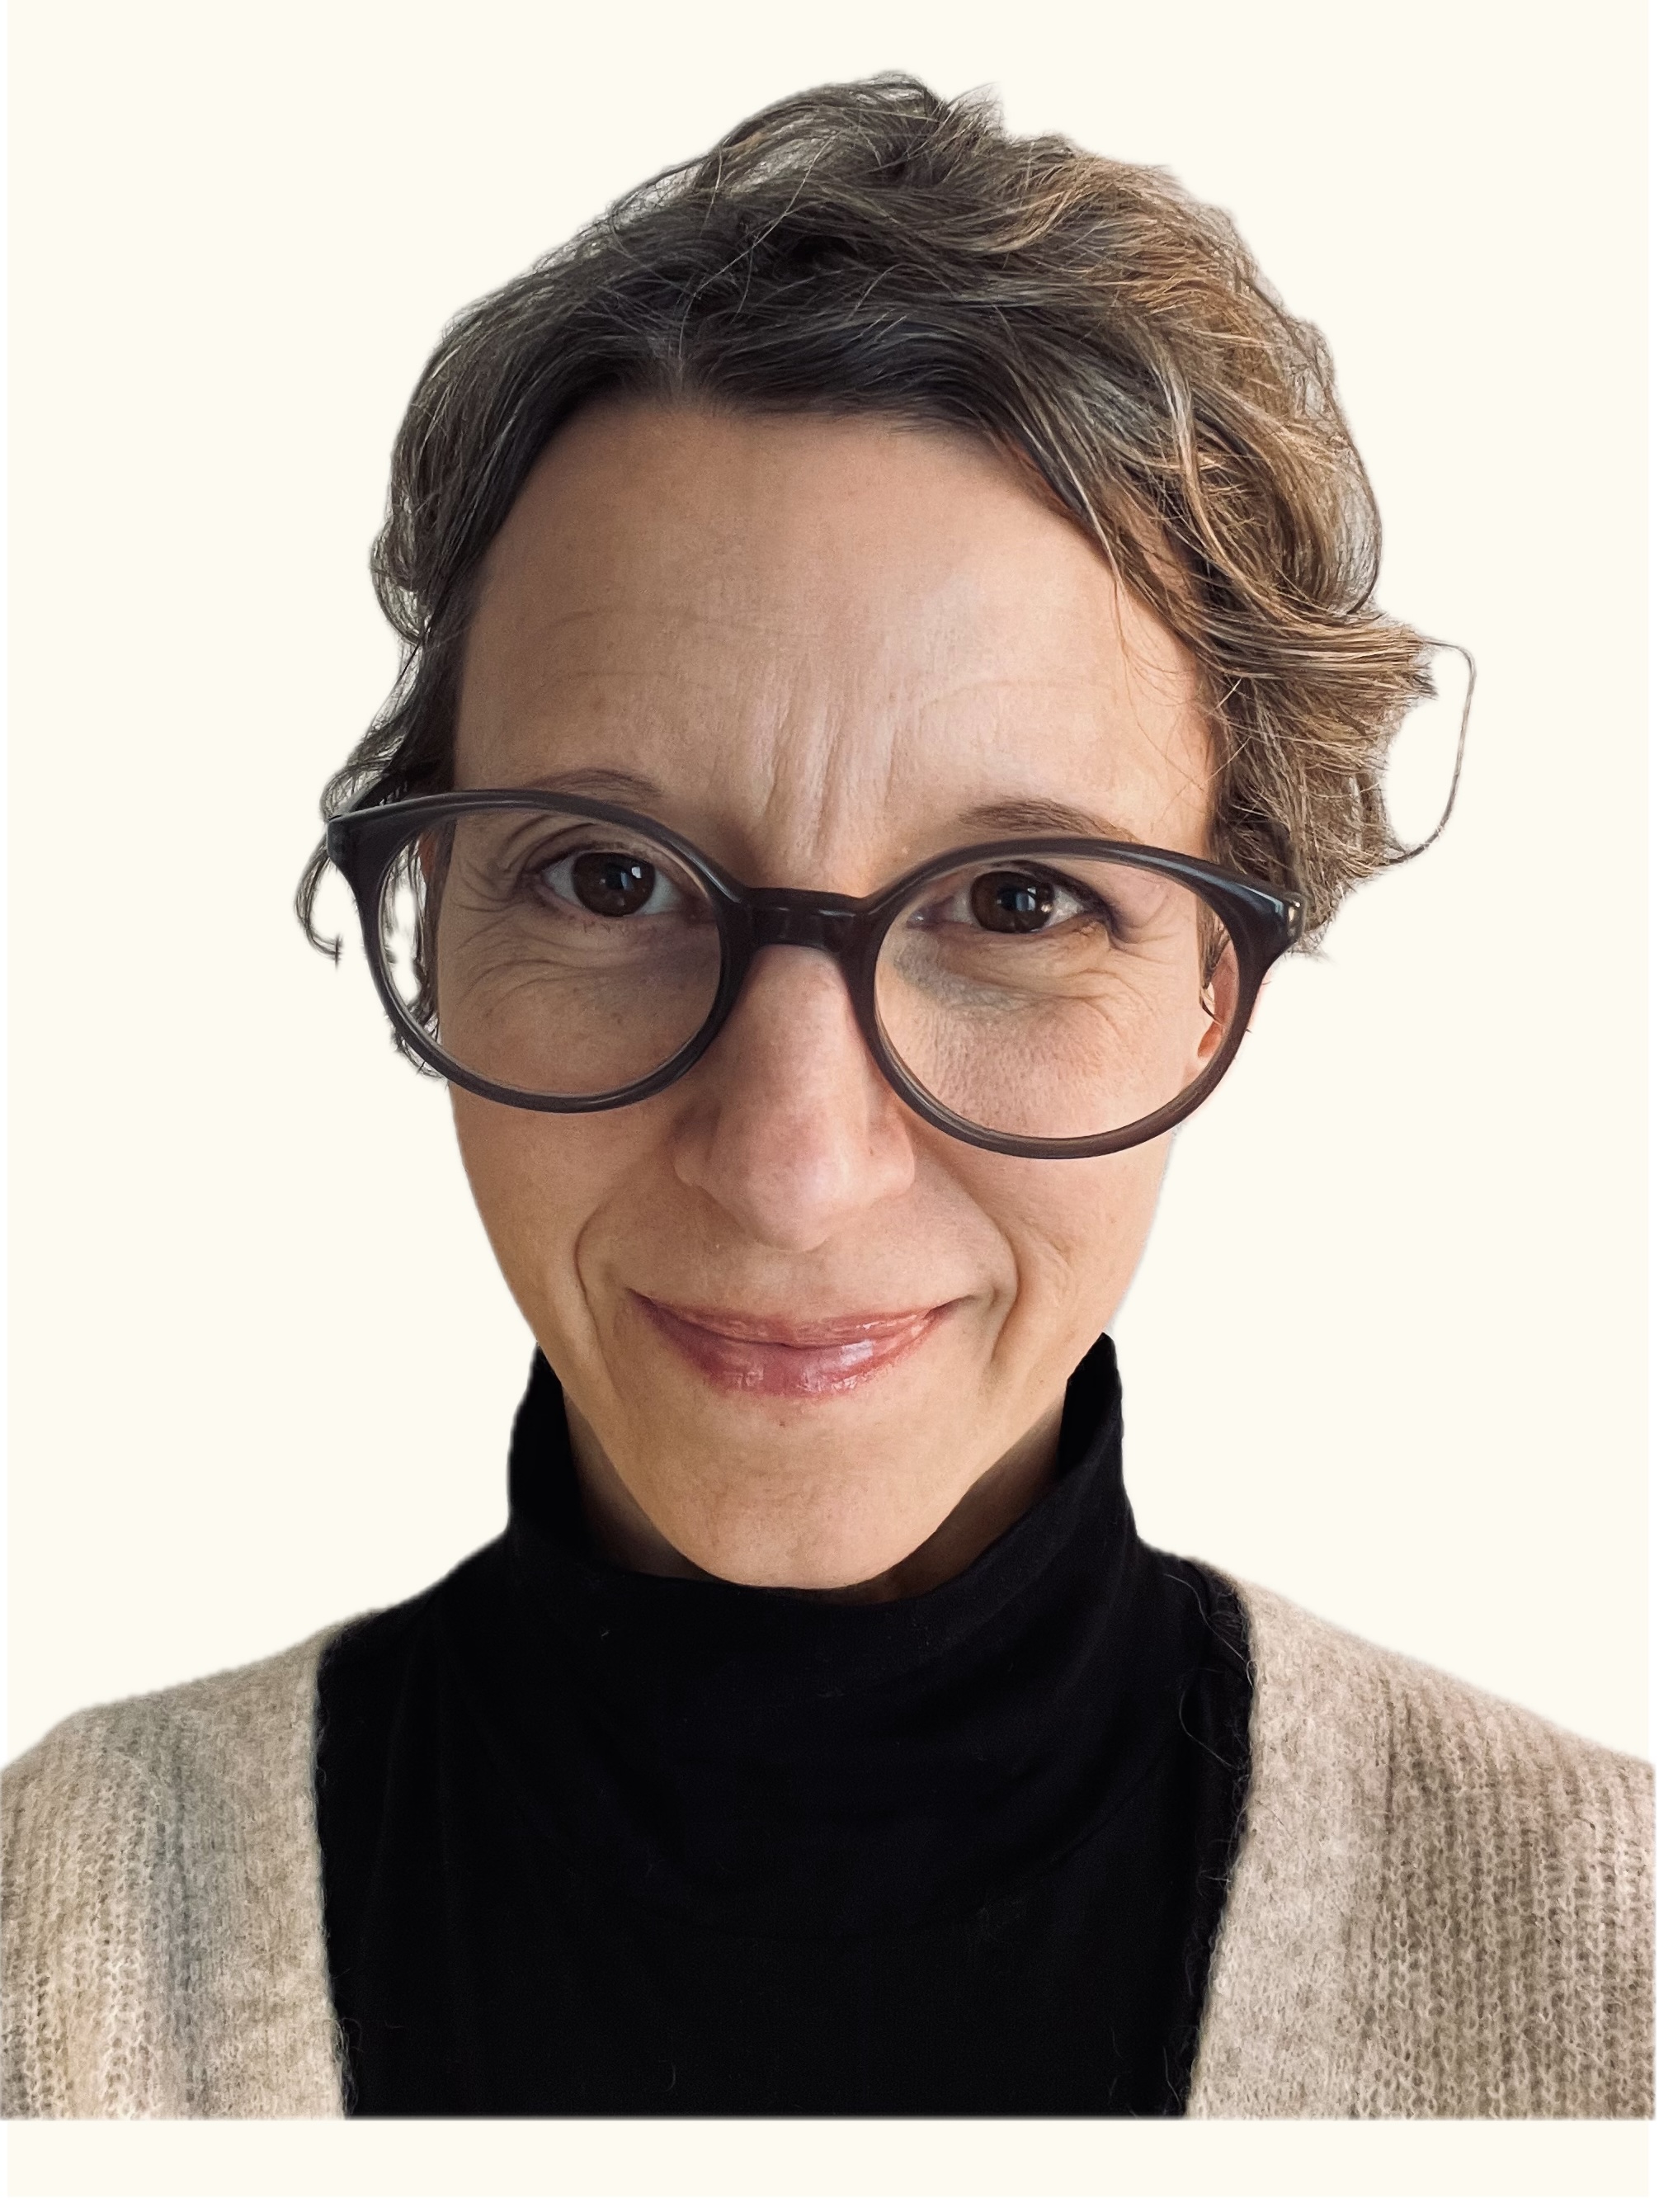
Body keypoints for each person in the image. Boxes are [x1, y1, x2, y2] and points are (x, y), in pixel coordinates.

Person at [2, 75, 1649, 2121]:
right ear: (436, 915)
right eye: (609, 881)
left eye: (1019, 901)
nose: (789, 1166)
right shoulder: (52, 1944)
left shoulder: (1614, 1981)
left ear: (1211, 992)